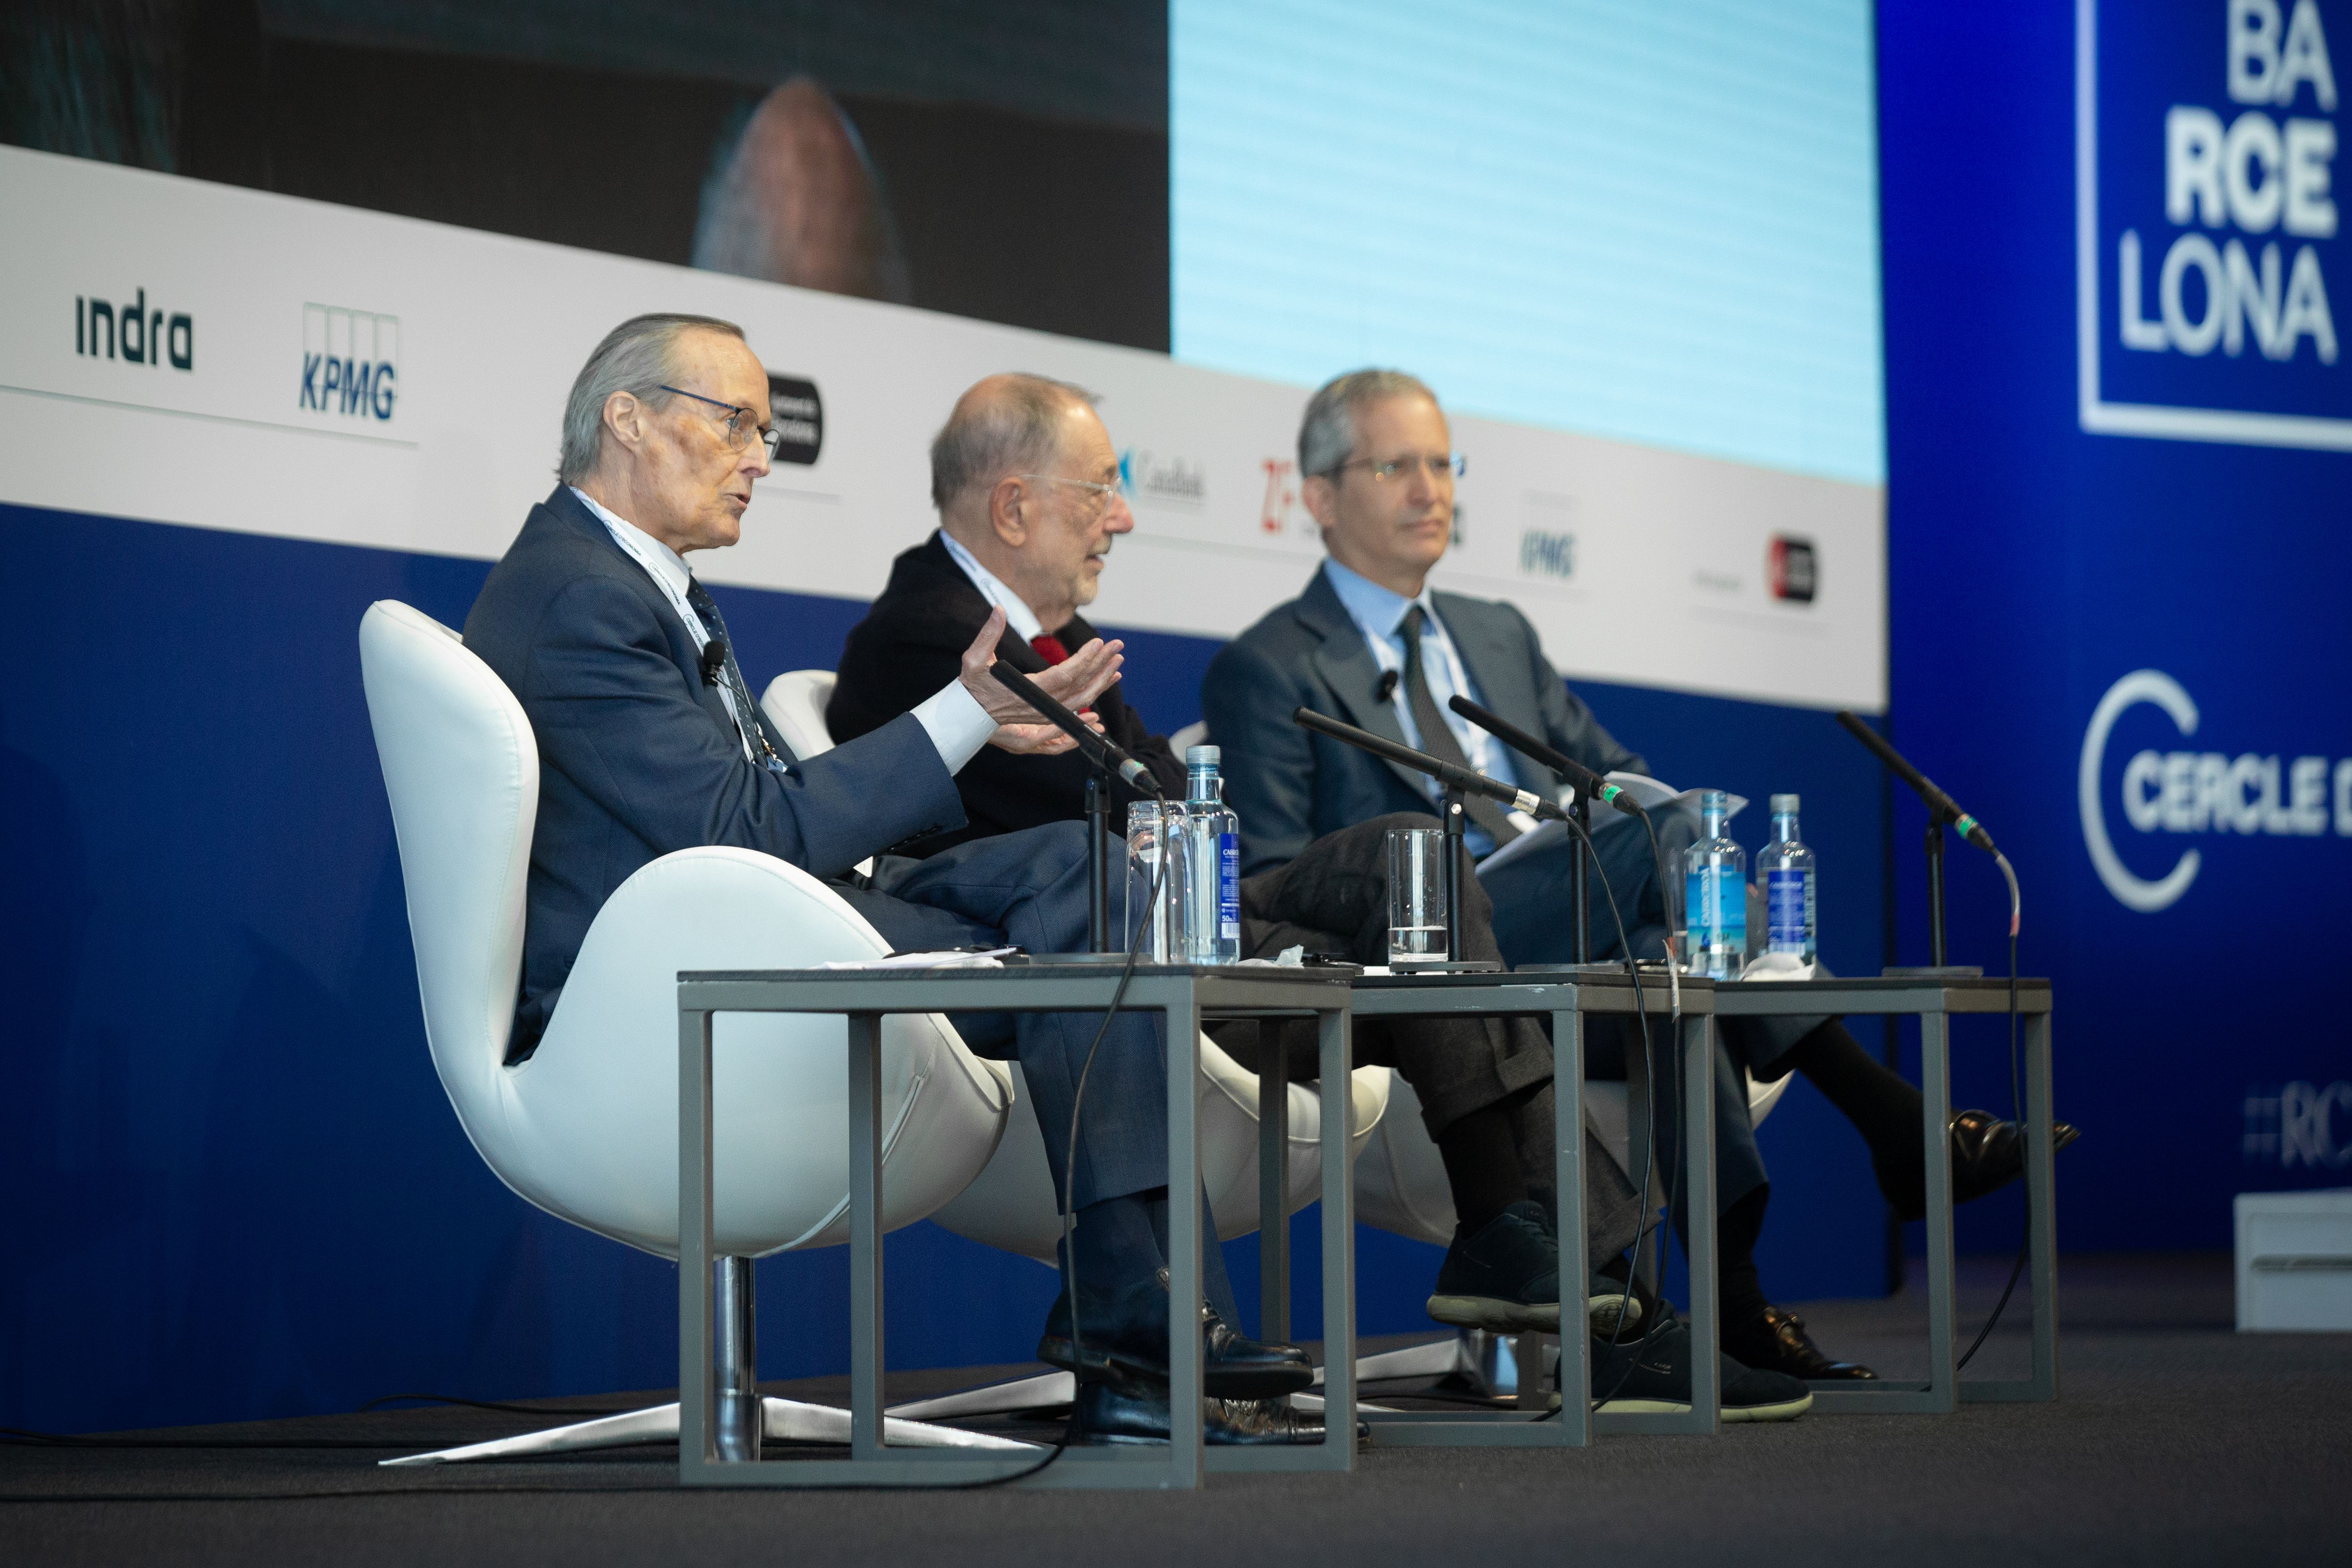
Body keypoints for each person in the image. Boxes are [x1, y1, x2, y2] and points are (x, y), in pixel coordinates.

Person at [827, 373, 1816, 1422]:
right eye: (1099, 490)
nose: (1121, 514)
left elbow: (1160, 796)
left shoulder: (1052, 633)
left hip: (1189, 920)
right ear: (1014, 505)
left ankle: (1529, 1250)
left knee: (1412, 860)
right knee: (1415, 889)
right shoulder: (930, 635)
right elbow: (1109, 819)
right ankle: (1589, 1296)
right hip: (1093, 971)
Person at [462, 314, 1323, 1448]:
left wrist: (970, 730)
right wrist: (965, 711)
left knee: (1086, 870)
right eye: (738, 426)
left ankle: (1147, 1318)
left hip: (735, 926)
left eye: (766, 432)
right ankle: (1141, 1325)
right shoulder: (580, 597)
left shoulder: (621, 579)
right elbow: (743, 827)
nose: (762, 457)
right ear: (627, 418)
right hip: (653, 996)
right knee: (1070, 930)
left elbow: (739, 824)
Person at [1202, 369, 2078, 1383]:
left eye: (1444, 463)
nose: (1429, 488)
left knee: (1664, 951)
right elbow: (1269, 885)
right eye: (1395, 464)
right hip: (1436, 967)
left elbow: (1616, 783)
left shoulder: (1496, 635)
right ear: (1316, 495)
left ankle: (1731, 1304)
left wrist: (1640, 855)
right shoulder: (1268, 665)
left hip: (1572, 937)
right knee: (1660, 846)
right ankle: (1892, 1120)